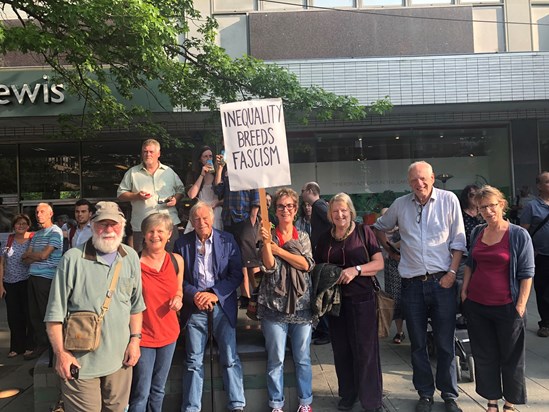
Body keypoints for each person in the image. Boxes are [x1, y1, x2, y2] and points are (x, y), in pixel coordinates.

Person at [373, 161, 466, 412]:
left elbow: (459, 241)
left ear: (433, 177)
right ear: (409, 182)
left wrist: (452, 273)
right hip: (412, 284)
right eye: (414, 180)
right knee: (417, 344)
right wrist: (392, 251)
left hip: (442, 282)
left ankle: (449, 394)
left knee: (446, 342)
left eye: (423, 178)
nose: (419, 184)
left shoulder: (449, 200)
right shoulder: (401, 205)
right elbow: (379, 228)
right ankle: (425, 393)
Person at [45, 201, 146, 412]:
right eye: (102, 224)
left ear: (123, 225)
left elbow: (136, 307)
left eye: (114, 224)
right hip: (81, 364)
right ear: (92, 225)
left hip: (120, 362)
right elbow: (54, 315)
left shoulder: (131, 257)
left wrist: (135, 341)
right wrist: (62, 354)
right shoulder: (72, 259)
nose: (109, 230)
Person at [461, 186, 534, 412]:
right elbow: (471, 264)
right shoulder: (478, 233)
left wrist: (520, 305)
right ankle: (492, 401)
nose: (488, 211)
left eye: (492, 205)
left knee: (511, 358)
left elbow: (527, 272)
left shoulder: (518, 234)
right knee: (485, 355)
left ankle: (510, 403)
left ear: (501, 205)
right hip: (478, 305)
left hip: (508, 307)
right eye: (483, 207)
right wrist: (465, 292)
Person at [314, 193, 384, 412]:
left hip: (362, 299)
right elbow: (317, 267)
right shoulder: (325, 238)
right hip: (335, 303)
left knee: (365, 350)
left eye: (343, 210)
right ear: (330, 214)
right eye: (335, 211)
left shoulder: (364, 232)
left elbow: (379, 262)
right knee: (342, 350)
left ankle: (371, 400)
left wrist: (357, 270)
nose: (340, 214)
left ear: (350, 211)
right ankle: (347, 395)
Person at [174, 201, 246, 412]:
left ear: (213, 218)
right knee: (193, 361)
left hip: (221, 306)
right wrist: (194, 294)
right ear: (191, 221)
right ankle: (191, 407)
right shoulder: (182, 244)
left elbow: (236, 275)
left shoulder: (227, 240)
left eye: (205, 218)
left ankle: (237, 404)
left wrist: (214, 294)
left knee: (230, 358)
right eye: (196, 219)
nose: (201, 222)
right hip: (195, 308)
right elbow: (178, 279)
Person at [258, 188, 315, 412]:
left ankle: (305, 403)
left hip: (302, 307)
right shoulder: (268, 236)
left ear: (296, 208)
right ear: (275, 209)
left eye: (290, 206)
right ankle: (276, 405)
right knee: (276, 360)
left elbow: (306, 264)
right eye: (281, 206)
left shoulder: (303, 236)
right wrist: (266, 245)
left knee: (303, 359)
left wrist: (279, 251)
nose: (285, 210)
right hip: (273, 306)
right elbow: (269, 268)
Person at [128, 213, 183, 412]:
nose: (155, 235)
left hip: (169, 334)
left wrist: (178, 299)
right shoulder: (133, 262)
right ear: (144, 235)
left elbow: (179, 291)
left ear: (169, 234)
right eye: (150, 231)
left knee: (159, 390)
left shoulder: (177, 260)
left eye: (160, 231)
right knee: (141, 392)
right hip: (142, 336)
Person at [117, 138, 185, 252]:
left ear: (158, 154)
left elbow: (181, 190)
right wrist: (136, 196)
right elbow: (120, 194)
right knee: (142, 261)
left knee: (171, 258)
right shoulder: (133, 173)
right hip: (142, 226)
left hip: (167, 224)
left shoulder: (168, 172)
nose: (148, 154)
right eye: (145, 151)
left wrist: (175, 200)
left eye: (151, 152)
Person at [214, 155, 260, 310]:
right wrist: (219, 169)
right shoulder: (226, 171)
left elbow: (256, 200)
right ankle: (246, 295)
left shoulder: (249, 171)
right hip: (229, 220)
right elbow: (218, 190)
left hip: (244, 220)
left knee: (250, 259)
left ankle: (258, 291)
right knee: (236, 260)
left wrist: (252, 222)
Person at [21, 203, 64, 360]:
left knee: (46, 313)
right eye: (37, 212)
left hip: (46, 277)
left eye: (42, 211)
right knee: (34, 314)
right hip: (33, 276)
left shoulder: (55, 232)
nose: (39, 214)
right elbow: (24, 258)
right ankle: (42, 345)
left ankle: (52, 348)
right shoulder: (37, 235)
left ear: (51, 213)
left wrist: (33, 256)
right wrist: (34, 256)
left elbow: (43, 256)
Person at [301, 182, 332, 345]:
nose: (302, 194)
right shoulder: (319, 206)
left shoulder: (319, 205)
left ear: (310, 191)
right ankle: (322, 329)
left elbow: (332, 220)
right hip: (320, 254)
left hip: (322, 256)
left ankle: (326, 330)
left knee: (321, 291)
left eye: (303, 191)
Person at [0, 214, 34, 358]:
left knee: (28, 314)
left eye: (24, 223)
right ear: (13, 226)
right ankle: (15, 347)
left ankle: (29, 345)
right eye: (18, 223)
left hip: (26, 281)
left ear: (28, 225)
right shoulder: (9, 239)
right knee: (13, 316)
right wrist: (0, 285)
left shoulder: (32, 239)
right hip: (9, 282)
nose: (21, 226)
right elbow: (1, 263)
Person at [520, 171, 549, 337]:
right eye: (547, 182)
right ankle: (545, 322)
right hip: (541, 256)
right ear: (539, 186)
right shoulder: (532, 206)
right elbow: (524, 232)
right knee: (543, 290)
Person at [379, 207, 405, 344]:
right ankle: (399, 331)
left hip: (405, 267)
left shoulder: (402, 229)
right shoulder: (380, 234)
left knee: (407, 299)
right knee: (394, 299)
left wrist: (393, 246)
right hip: (391, 268)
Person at [184, 146, 223, 233]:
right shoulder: (194, 175)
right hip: (200, 209)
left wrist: (218, 171)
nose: (208, 158)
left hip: (215, 210)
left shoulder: (218, 174)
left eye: (210, 156)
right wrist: (201, 175)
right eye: (205, 156)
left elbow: (222, 192)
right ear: (200, 160)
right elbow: (191, 195)